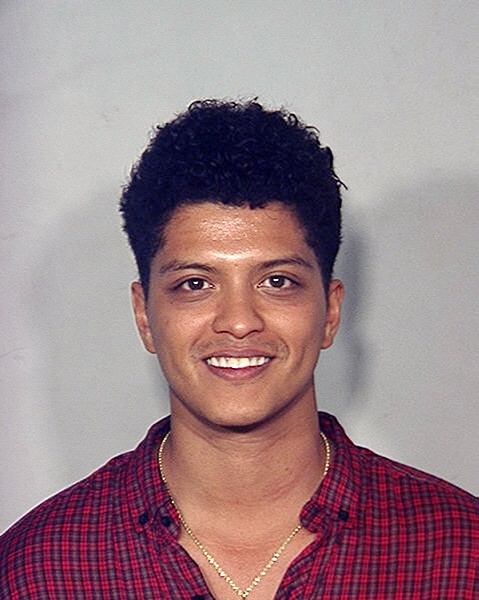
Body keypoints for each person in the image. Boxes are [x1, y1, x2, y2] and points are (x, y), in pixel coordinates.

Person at [1, 99, 477, 599]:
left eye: (277, 281)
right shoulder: (37, 571)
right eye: (194, 284)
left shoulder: (460, 555)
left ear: (331, 312)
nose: (239, 321)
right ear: (144, 316)